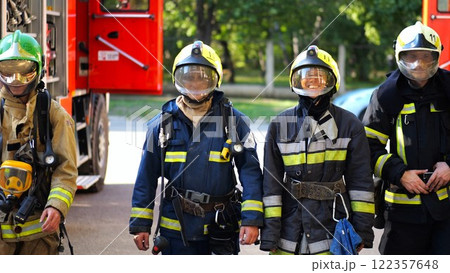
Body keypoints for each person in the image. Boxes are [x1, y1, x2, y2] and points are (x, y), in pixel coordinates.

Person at [129, 41, 263, 255]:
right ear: (177, 79)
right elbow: (145, 177)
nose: (195, 84)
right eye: (189, 77)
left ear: (215, 80)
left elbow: (251, 173)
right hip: (176, 229)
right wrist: (140, 225)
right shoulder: (161, 125)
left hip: (220, 228)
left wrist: (252, 219)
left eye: (202, 77)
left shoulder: (235, 122)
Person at [260, 45, 374, 255]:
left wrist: (362, 231)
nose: (312, 83)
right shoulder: (279, 124)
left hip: (332, 229)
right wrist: (270, 233)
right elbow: (271, 185)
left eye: (319, 78)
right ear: (296, 83)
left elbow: (361, 183)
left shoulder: (350, 125)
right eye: (306, 78)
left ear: (332, 82)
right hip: (289, 231)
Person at [363, 22, 450, 254]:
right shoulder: (385, 96)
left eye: (425, 57)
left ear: (437, 56)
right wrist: (399, 173)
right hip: (402, 213)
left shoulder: (449, 90)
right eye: (411, 57)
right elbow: (368, 147)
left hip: (447, 212)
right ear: (399, 56)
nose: (418, 64)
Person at [0, 30, 77, 254]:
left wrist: (57, 206)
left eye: (24, 72)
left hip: (39, 235)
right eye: (8, 72)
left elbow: (66, 169)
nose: (15, 81)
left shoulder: (54, 115)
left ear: (38, 70)